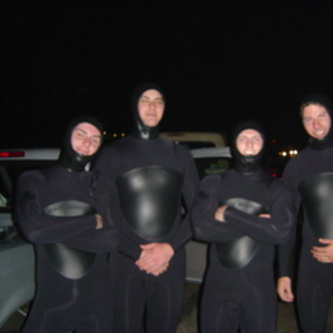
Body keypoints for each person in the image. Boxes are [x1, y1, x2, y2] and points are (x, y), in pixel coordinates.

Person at [93, 82, 199, 333]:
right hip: (125, 260)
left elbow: (198, 209)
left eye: (158, 101)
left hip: (170, 260)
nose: (152, 107)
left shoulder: (179, 154)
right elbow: (104, 211)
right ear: (134, 106)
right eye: (145, 100)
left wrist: (169, 247)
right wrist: (136, 253)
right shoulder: (112, 153)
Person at [15, 116, 118, 333]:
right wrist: (90, 221)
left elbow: (111, 239)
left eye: (95, 139)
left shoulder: (100, 184)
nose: (87, 143)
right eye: (81, 134)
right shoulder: (35, 180)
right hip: (52, 302)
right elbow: (33, 230)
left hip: (98, 302)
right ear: (67, 136)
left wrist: (52, 229)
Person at [191, 120, 294, 333]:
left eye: (256, 139)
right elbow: (201, 229)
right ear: (233, 145)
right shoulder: (213, 183)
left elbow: (282, 233)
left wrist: (228, 213)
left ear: (264, 145)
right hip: (217, 288)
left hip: (258, 289)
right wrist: (261, 223)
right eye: (243, 138)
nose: (249, 144)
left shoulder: (277, 187)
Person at [277, 93, 333, 333]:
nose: (316, 124)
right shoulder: (297, 165)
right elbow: (286, 224)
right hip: (313, 261)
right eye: (308, 119)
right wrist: (283, 273)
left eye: (321, 115)